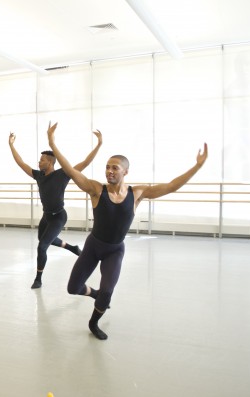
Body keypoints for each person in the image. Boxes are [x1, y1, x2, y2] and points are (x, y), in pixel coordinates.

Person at [47, 122, 208, 340]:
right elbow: (70, 171)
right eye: (107, 167)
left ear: (125, 171)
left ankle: (94, 322)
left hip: (114, 250)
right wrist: (52, 143)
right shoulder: (96, 189)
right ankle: (93, 294)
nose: (110, 171)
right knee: (73, 288)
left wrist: (196, 167)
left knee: (107, 291)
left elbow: (171, 186)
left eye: (115, 168)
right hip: (94, 246)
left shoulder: (137, 193)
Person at [9, 125, 103, 289]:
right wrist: (11, 145)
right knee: (44, 240)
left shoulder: (63, 174)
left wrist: (98, 145)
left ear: (51, 162)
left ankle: (38, 278)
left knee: (42, 246)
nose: (39, 162)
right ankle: (72, 247)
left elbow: (85, 162)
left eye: (43, 160)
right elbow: (20, 163)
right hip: (47, 217)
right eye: (40, 160)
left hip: (59, 216)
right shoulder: (38, 175)